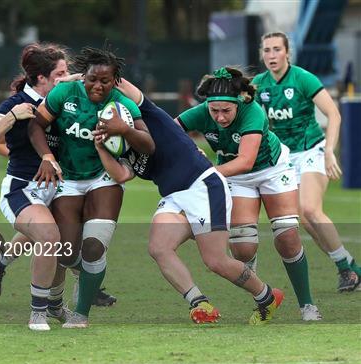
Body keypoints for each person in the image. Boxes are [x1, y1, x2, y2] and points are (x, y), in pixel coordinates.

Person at [93, 78, 284, 324]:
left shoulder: (153, 118)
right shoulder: (121, 146)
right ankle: (199, 303)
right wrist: (100, 147)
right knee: (159, 247)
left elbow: (125, 86)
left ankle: (267, 297)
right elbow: (122, 175)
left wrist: (90, 78)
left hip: (203, 187)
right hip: (174, 197)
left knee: (216, 261)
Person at [175, 67, 322, 321]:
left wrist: (205, 173)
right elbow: (170, 132)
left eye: (226, 111)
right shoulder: (201, 112)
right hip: (236, 177)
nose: (220, 117)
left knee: (287, 236)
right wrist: (188, 151)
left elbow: (245, 161)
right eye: (214, 111)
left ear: (238, 103)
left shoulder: (252, 112)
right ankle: (264, 297)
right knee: (242, 249)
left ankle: (307, 306)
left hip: (272, 170)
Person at [28, 46, 155, 328]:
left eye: (105, 81)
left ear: (114, 81)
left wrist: (125, 130)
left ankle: (81, 314)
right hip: (69, 178)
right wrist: (47, 157)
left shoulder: (123, 105)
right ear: (83, 77)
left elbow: (148, 145)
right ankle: (65, 294)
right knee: (67, 253)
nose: (97, 85)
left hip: (104, 177)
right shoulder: (64, 94)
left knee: (94, 246)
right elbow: (35, 126)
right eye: (92, 79)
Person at [253, 31, 360, 292]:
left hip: (312, 149)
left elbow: (333, 114)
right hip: (285, 159)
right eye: (267, 50)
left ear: (288, 52)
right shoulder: (258, 84)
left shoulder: (302, 78)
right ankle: (348, 267)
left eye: (277, 49)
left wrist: (329, 152)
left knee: (310, 209)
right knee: (301, 216)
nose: (272, 55)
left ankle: (349, 268)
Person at [0, 42, 73, 331]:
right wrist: (12, 117)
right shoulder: (16, 103)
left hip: (60, 187)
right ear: (41, 78)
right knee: (48, 235)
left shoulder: (64, 101)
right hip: (22, 189)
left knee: (66, 241)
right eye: (61, 73)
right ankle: (40, 310)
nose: (67, 77)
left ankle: (4, 261)